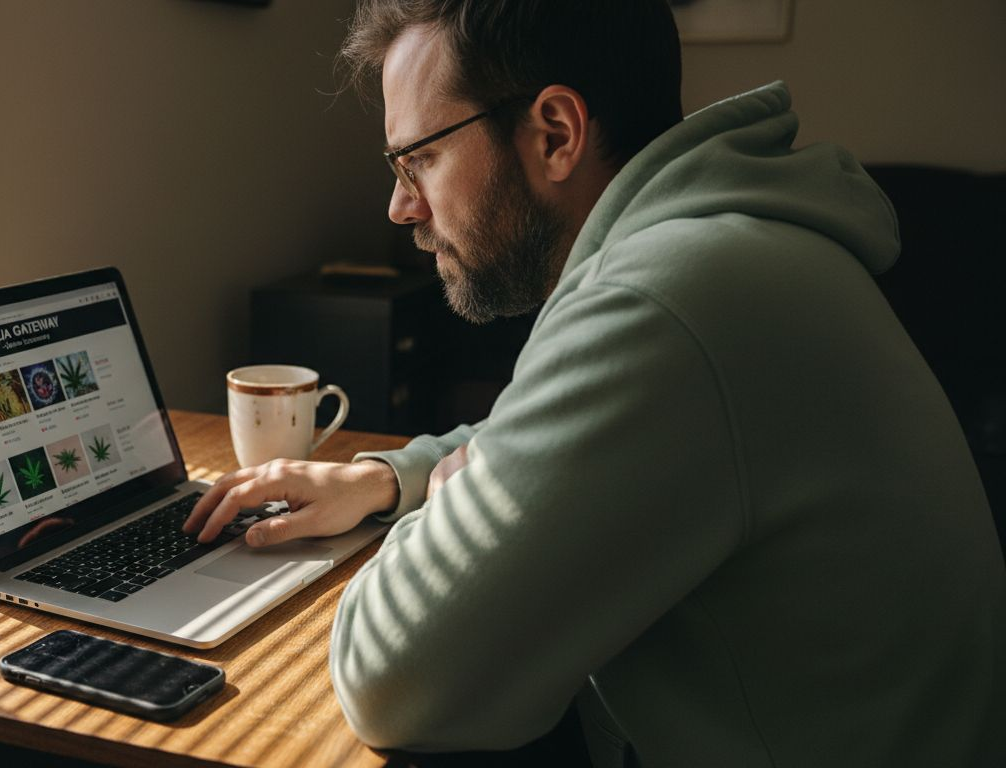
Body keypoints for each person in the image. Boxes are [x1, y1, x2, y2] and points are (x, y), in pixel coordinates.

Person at [183, 1, 1006, 764]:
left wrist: (449, 498)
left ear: (555, 133)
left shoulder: (665, 301)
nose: (401, 207)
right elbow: (556, 438)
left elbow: (391, 677)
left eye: (420, 158)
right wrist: (387, 479)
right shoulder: (732, 251)